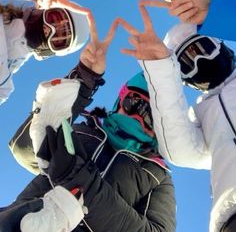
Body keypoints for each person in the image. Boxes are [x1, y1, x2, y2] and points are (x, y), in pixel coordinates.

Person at [0, 21, 176, 232]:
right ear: (120, 101)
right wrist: (84, 78)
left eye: (152, 118)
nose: (139, 117)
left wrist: (81, 180)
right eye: (135, 104)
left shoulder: (156, 174)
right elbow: (24, 148)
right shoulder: (82, 131)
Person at [117, 6, 236, 232]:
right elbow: (182, 150)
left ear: (219, 44)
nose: (200, 62)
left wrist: (219, 14)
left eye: (203, 49)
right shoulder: (202, 114)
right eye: (187, 64)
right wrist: (161, 68)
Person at [0, 2, 89, 104]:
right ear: (42, 11)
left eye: (58, 37)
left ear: (50, 51)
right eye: (53, 19)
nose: (49, 29)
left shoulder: (5, 84)